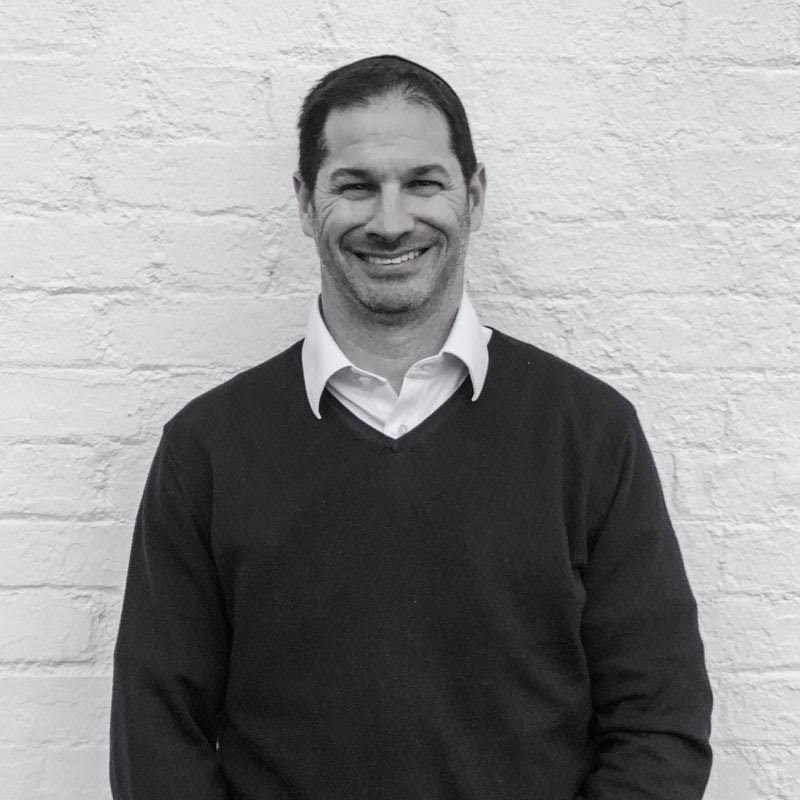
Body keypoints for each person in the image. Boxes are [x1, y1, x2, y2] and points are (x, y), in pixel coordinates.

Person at [110, 55, 713, 799]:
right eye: (356, 186)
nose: (391, 221)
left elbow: (660, 724)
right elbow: (156, 740)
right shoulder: (207, 449)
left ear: (474, 196)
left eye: (423, 183)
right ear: (305, 204)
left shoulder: (588, 434)